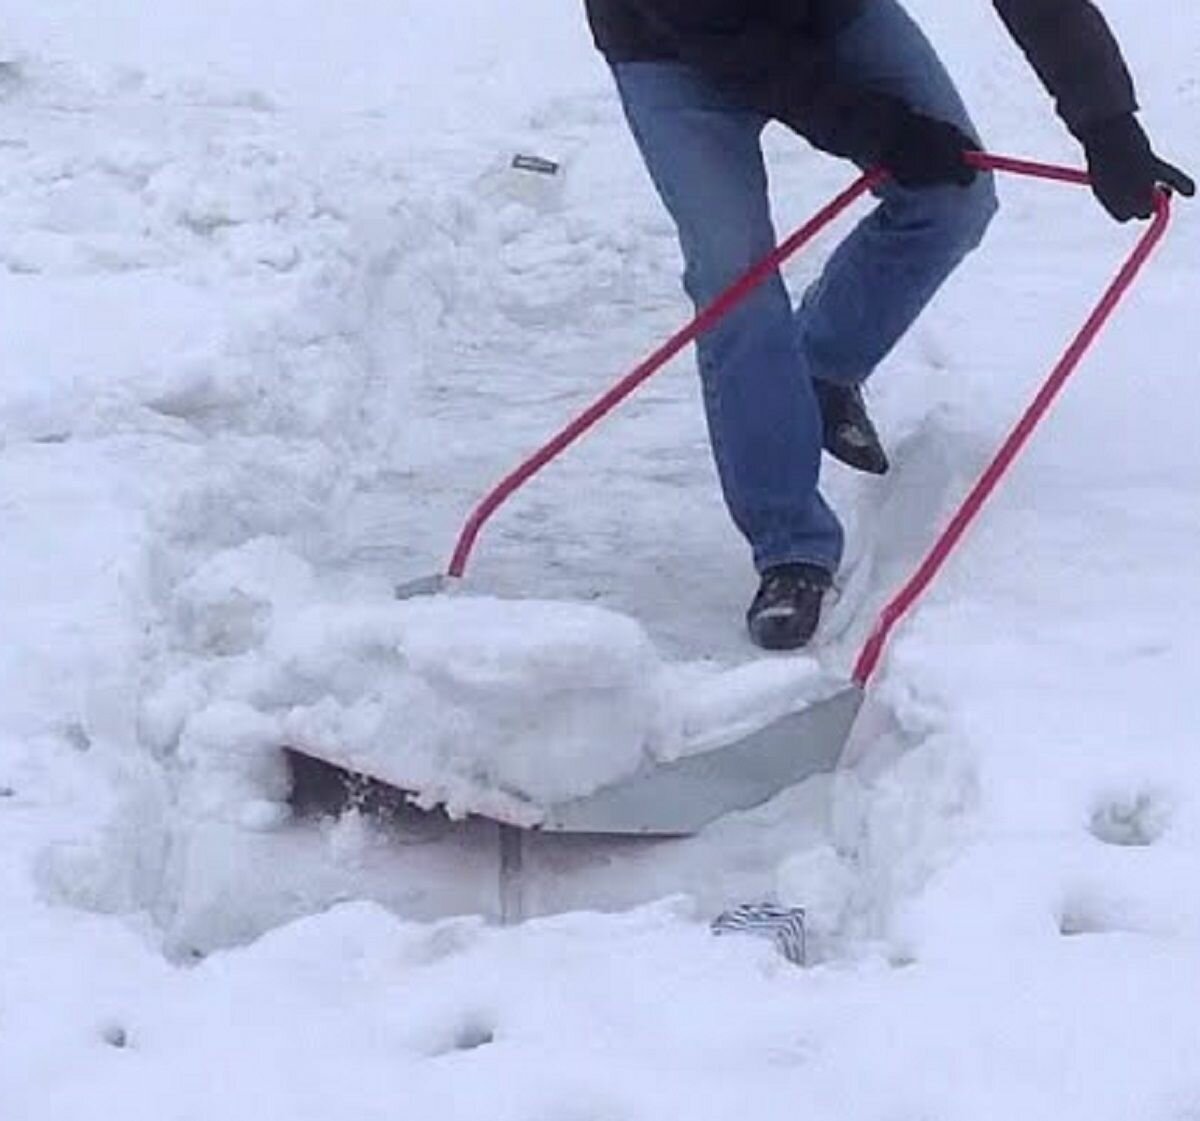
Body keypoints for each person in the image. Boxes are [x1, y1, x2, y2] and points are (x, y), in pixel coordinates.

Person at [583, 0, 1193, 650]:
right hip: (667, 43)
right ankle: (791, 551)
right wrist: (880, 130)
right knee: (736, 282)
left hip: (834, 13)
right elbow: (725, 38)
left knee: (953, 200)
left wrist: (1105, 124)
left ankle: (816, 370)